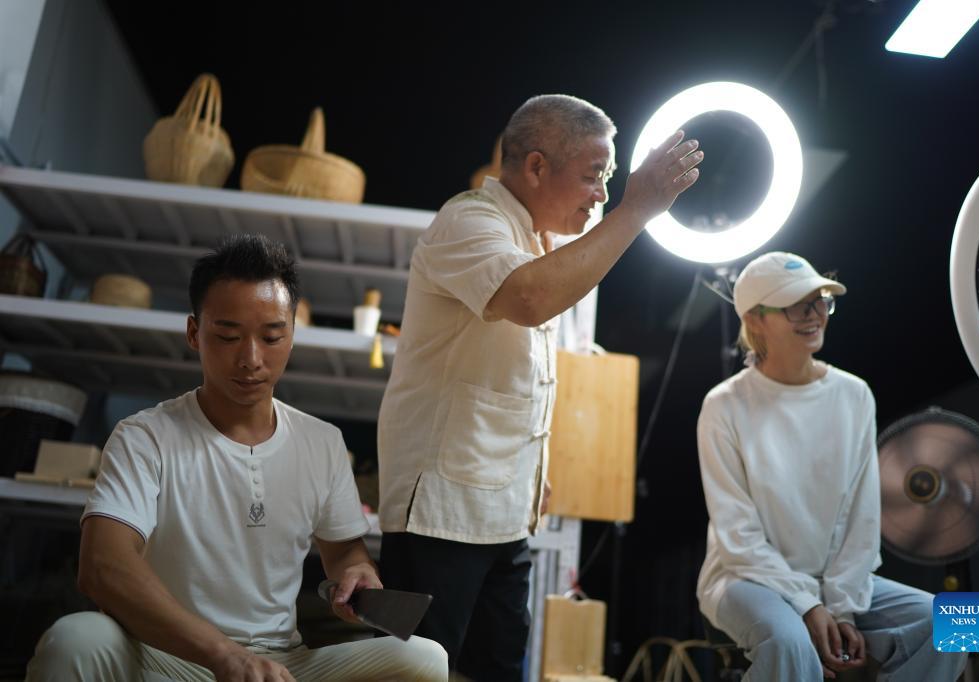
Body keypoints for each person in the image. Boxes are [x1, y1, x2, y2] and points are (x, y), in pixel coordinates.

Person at [376, 93, 704, 679]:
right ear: (534, 167)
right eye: (592, 177)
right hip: (440, 516)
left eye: (608, 178)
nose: (602, 193)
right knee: (418, 671)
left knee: (499, 669)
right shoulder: (469, 218)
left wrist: (534, 466)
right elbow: (527, 299)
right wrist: (638, 208)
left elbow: (517, 370)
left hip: (506, 512)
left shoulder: (539, 240)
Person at [26, 234, 447, 682]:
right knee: (76, 640)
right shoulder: (145, 437)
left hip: (276, 666)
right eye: (228, 336)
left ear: (291, 336)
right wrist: (224, 656)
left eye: (271, 337)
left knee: (424, 659)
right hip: (167, 656)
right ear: (194, 333)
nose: (251, 359)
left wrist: (357, 575)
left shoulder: (321, 443)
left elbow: (344, 552)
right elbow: (102, 567)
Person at [695, 251, 968, 681]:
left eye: (821, 300)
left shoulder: (853, 395)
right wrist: (808, 606)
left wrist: (839, 607)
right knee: (789, 643)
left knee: (966, 623)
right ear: (755, 319)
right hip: (743, 578)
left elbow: (861, 516)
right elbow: (738, 538)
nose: (814, 314)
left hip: (835, 585)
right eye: (796, 305)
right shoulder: (724, 406)